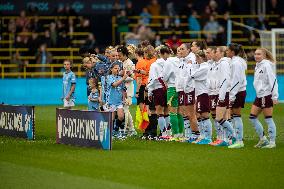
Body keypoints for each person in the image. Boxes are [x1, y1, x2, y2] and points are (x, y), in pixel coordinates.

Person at [249, 48, 278, 148]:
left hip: (266, 95)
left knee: (268, 119)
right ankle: (263, 139)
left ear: (264, 56)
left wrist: (274, 96)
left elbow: (273, 80)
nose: (256, 56)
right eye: (255, 54)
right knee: (252, 117)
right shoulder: (258, 66)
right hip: (259, 95)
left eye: (259, 54)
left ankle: (272, 142)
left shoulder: (266, 65)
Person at [176, 43, 199, 142]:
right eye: (179, 49)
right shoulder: (182, 60)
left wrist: (185, 88)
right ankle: (188, 134)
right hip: (181, 90)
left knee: (191, 113)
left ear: (188, 50)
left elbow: (190, 76)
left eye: (182, 49)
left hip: (189, 89)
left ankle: (196, 134)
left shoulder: (191, 59)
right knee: (183, 112)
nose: (180, 51)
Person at [147, 45, 171, 139]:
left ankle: (163, 134)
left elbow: (152, 79)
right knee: (167, 111)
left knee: (159, 112)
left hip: (158, 89)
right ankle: (169, 133)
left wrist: (149, 92)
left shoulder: (154, 65)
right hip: (168, 88)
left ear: (158, 54)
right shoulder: (169, 63)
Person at [226, 43, 247, 148]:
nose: (226, 52)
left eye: (227, 50)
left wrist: (232, 96)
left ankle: (239, 141)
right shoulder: (236, 61)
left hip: (238, 92)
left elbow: (236, 80)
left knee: (236, 116)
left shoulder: (236, 63)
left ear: (232, 52)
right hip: (238, 91)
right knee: (234, 116)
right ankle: (237, 138)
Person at [213, 46, 235, 146]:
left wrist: (221, 96)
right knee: (224, 117)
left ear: (222, 53)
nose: (215, 53)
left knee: (219, 118)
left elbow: (225, 79)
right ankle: (226, 139)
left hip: (224, 93)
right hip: (223, 92)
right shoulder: (223, 63)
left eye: (216, 51)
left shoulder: (224, 63)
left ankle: (234, 136)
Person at [190, 50, 212, 144]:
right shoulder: (200, 67)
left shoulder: (204, 67)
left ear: (200, 57)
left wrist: (192, 67)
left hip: (203, 93)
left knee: (205, 115)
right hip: (199, 93)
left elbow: (193, 75)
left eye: (196, 58)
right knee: (199, 115)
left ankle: (208, 138)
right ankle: (203, 136)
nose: (195, 60)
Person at [106, 62, 128, 138]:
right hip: (111, 101)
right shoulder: (109, 77)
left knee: (121, 117)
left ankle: (116, 129)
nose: (117, 69)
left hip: (119, 101)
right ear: (111, 69)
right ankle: (111, 133)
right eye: (115, 68)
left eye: (118, 68)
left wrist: (124, 98)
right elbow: (114, 85)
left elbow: (123, 90)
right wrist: (123, 78)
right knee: (111, 118)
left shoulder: (120, 78)